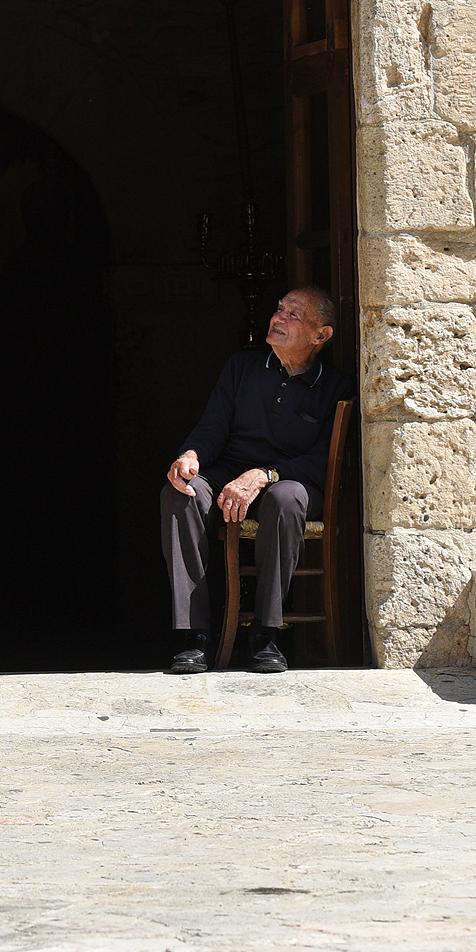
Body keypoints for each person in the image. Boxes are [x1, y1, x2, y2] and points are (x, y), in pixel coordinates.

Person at [161, 285, 346, 675]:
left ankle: (266, 634)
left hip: (290, 479)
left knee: (286, 499)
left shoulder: (335, 386)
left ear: (321, 335)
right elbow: (212, 428)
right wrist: (190, 455)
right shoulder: (242, 367)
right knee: (182, 495)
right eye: (279, 308)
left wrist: (266, 475)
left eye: (293, 314)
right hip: (231, 470)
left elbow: (320, 462)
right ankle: (193, 636)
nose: (278, 317)